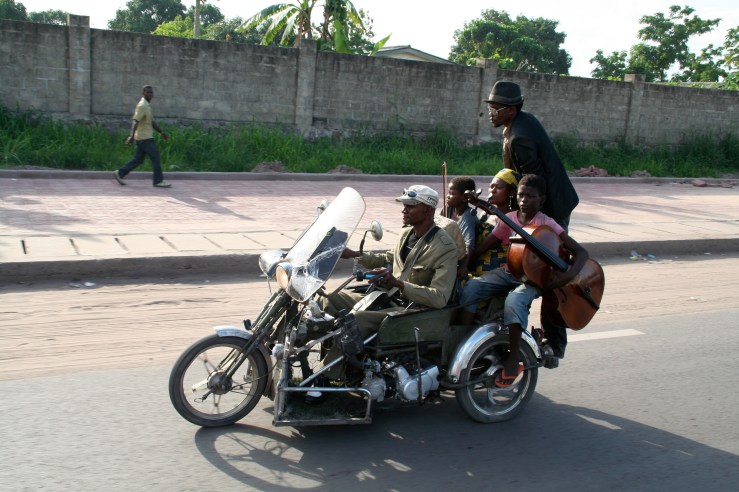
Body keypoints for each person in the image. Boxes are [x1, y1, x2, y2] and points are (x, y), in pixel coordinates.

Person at [316, 185, 458, 386]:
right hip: (387, 297)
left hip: (412, 311)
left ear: (427, 209)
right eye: (404, 205)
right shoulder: (407, 233)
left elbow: (439, 297)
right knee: (327, 299)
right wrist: (355, 254)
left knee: (355, 320)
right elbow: (388, 258)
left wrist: (399, 284)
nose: (404, 210)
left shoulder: (444, 248)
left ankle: (326, 376)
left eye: (410, 206)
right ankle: (322, 356)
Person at [457, 175, 588, 387]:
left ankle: (513, 356)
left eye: (530, 196)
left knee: (515, 301)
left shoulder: (547, 223)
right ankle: (461, 338)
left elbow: (581, 253)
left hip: (534, 280)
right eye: (521, 195)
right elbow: (486, 246)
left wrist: (567, 276)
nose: (524, 200)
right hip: (510, 273)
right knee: (472, 287)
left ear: (541, 199)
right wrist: (464, 263)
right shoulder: (509, 218)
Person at [485, 80, 579, 363]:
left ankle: (554, 342)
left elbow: (533, 188)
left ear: (511, 110)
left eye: (496, 108)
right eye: (489, 107)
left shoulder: (520, 139)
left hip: (550, 211)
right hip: (547, 203)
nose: (491, 113)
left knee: (549, 278)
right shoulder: (518, 125)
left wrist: (528, 222)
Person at [113, 85, 172, 188]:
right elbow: (135, 121)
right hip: (145, 138)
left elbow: (152, 122)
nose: (150, 94)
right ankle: (158, 181)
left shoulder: (147, 106)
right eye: (148, 92)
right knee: (156, 158)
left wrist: (161, 132)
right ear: (143, 93)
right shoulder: (142, 106)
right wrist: (131, 136)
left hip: (143, 137)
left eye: (151, 93)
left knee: (138, 159)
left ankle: (120, 173)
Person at [444, 176, 479, 278]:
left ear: (465, 198)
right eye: (448, 193)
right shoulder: (447, 209)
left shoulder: (469, 217)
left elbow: (469, 245)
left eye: (452, 194)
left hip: (459, 258)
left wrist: (463, 266)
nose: (448, 196)